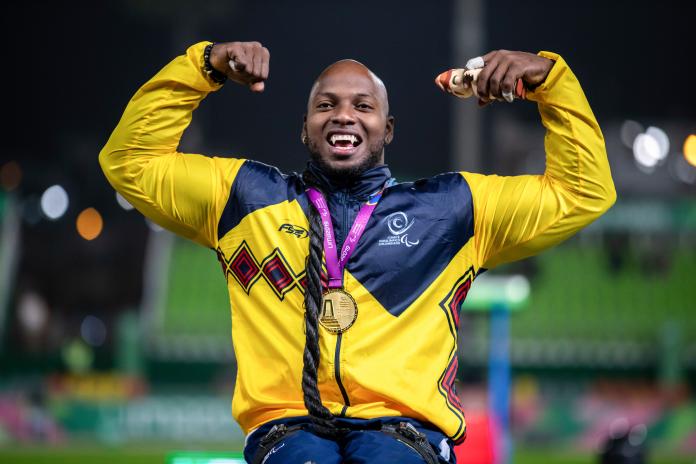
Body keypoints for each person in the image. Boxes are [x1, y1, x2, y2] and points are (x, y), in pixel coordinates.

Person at [100, 40, 616, 463]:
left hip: (406, 432)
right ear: (304, 128)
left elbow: (583, 192)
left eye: (362, 106)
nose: (343, 115)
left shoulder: (450, 209)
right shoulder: (242, 197)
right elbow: (129, 162)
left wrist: (550, 81)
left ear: (386, 130)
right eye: (326, 105)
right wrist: (204, 66)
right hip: (287, 431)